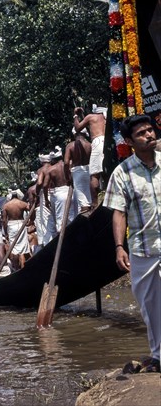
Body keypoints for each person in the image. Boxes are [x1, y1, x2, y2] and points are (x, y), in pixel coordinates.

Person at [103, 114, 160, 373]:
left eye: (151, 130)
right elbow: (119, 212)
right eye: (142, 133)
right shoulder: (122, 173)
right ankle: (159, 354)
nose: (149, 135)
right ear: (129, 141)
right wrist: (118, 247)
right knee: (150, 305)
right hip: (144, 249)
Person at [73, 104, 107, 207]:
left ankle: (95, 204)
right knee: (106, 171)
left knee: (94, 175)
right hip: (108, 142)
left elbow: (78, 128)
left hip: (97, 143)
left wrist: (75, 116)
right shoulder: (106, 117)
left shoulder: (91, 117)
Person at [43, 146, 76, 235]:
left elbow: (45, 185)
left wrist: (46, 199)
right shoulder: (69, 165)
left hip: (60, 195)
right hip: (71, 193)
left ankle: (64, 244)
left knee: (61, 224)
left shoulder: (51, 169)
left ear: (53, 160)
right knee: (72, 219)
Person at [64, 127, 92, 213]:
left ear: (74, 134)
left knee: (83, 202)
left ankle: (86, 222)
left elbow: (66, 163)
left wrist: (67, 177)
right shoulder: (90, 144)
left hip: (77, 172)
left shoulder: (70, 145)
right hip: (90, 170)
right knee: (89, 197)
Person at [2, 190, 30, 269]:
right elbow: (31, 210)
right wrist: (30, 221)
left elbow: (4, 220)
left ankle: (18, 267)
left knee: (14, 249)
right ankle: (23, 266)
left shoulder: (6, 206)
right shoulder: (22, 203)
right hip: (21, 224)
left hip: (11, 226)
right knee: (23, 249)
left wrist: (6, 232)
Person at [35, 152, 55, 248]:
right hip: (57, 192)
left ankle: (49, 244)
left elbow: (39, 183)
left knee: (47, 221)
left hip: (46, 194)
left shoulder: (41, 170)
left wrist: (37, 192)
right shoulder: (54, 167)